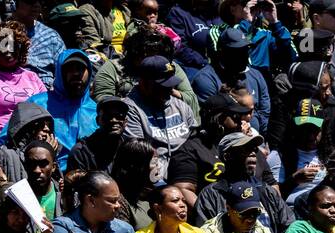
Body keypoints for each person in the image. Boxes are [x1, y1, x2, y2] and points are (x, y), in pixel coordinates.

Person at [122, 54, 195, 183]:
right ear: (143, 83)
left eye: (170, 85)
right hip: (152, 182)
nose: (168, 90)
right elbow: (140, 157)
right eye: (161, 86)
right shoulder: (130, 109)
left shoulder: (181, 106)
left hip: (185, 175)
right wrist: (161, 187)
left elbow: (194, 145)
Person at [26, 47, 97, 171]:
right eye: (70, 69)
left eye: (80, 69)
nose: (76, 74)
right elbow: (8, 139)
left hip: (87, 177)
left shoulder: (96, 111)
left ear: (89, 72)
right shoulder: (38, 104)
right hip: (46, 174)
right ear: (59, 72)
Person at [191, 27, 270, 132]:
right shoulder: (206, 80)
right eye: (238, 51)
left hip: (258, 138)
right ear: (223, 52)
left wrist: (256, 134)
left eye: (246, 50)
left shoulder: (256, 75)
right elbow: (214, 120)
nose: (244, 56)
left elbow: (264, 112)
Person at [67, 95, 134, 174]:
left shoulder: (130, 149)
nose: (113, 120)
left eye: (119, 117)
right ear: (97, 120)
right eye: (108, 116)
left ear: (125, 122)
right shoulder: (81, 153)